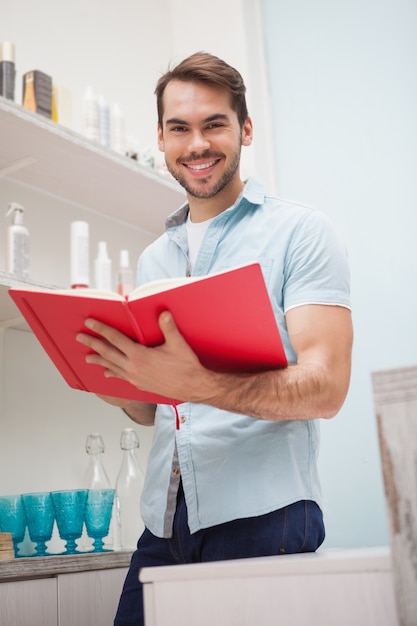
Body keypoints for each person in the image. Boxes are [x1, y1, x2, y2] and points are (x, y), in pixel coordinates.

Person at [76, 51, 353, 626]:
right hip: (164, 524)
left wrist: (197, 384)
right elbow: (153, 406)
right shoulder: (156, 257)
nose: (196, 143)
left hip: (265, 519)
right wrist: (108, 380)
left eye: (214, 124)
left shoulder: (300, 232)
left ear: (245, 129)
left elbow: (326, 387)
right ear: (161, 137)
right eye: (180, 127)